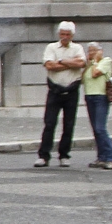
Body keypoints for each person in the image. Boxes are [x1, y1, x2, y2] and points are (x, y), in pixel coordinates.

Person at [36, 21, 85, 167]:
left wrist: (62, 61)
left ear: (72, 35)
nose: (65, 37)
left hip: (71, 90)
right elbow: (50, 65)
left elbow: (81, 63)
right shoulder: (51, 47)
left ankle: (64, 155)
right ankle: (43, 156)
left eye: (68, 35)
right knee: (49, 123)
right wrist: (70, 63)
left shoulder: (77, 48)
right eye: (62, 34)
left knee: (69, 124)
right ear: (59, 34)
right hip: (55, 91)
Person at [83, 42, 112, 170]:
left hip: (101, 96)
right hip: (89, 96)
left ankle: (110, 158)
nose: (91, 53)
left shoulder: (106, 61)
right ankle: (101, 157)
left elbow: (95, 73)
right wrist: (87, 63)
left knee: (100, 128)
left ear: (100, 51)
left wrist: (95, 61)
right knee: (95, 129)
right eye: (89, 50)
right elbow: (83, 78)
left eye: (94, 50)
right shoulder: (90, 64)